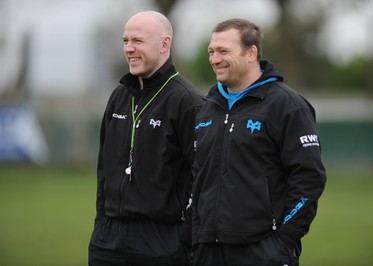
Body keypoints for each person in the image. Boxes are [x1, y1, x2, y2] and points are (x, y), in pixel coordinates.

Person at [192, 18, 327, 266]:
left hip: (263, 251)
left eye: (224, 51)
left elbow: (309, 178)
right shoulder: (207, 107)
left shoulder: (287, 106)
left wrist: (283, 239)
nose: (214, 59)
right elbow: (197, 175)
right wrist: (196, 236)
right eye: (211, 51)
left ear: (251, 52)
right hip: (207, 251)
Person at [88, 11, 204, 265]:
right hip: (108, 242)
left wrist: (183, 237)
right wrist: (101, 225)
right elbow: (104, 170)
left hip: (162, 243)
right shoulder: (118, 96)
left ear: (164, 44)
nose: (129, 49)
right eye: (125, 41)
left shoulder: (187, 102)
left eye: (138, 41)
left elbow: (202, 177)